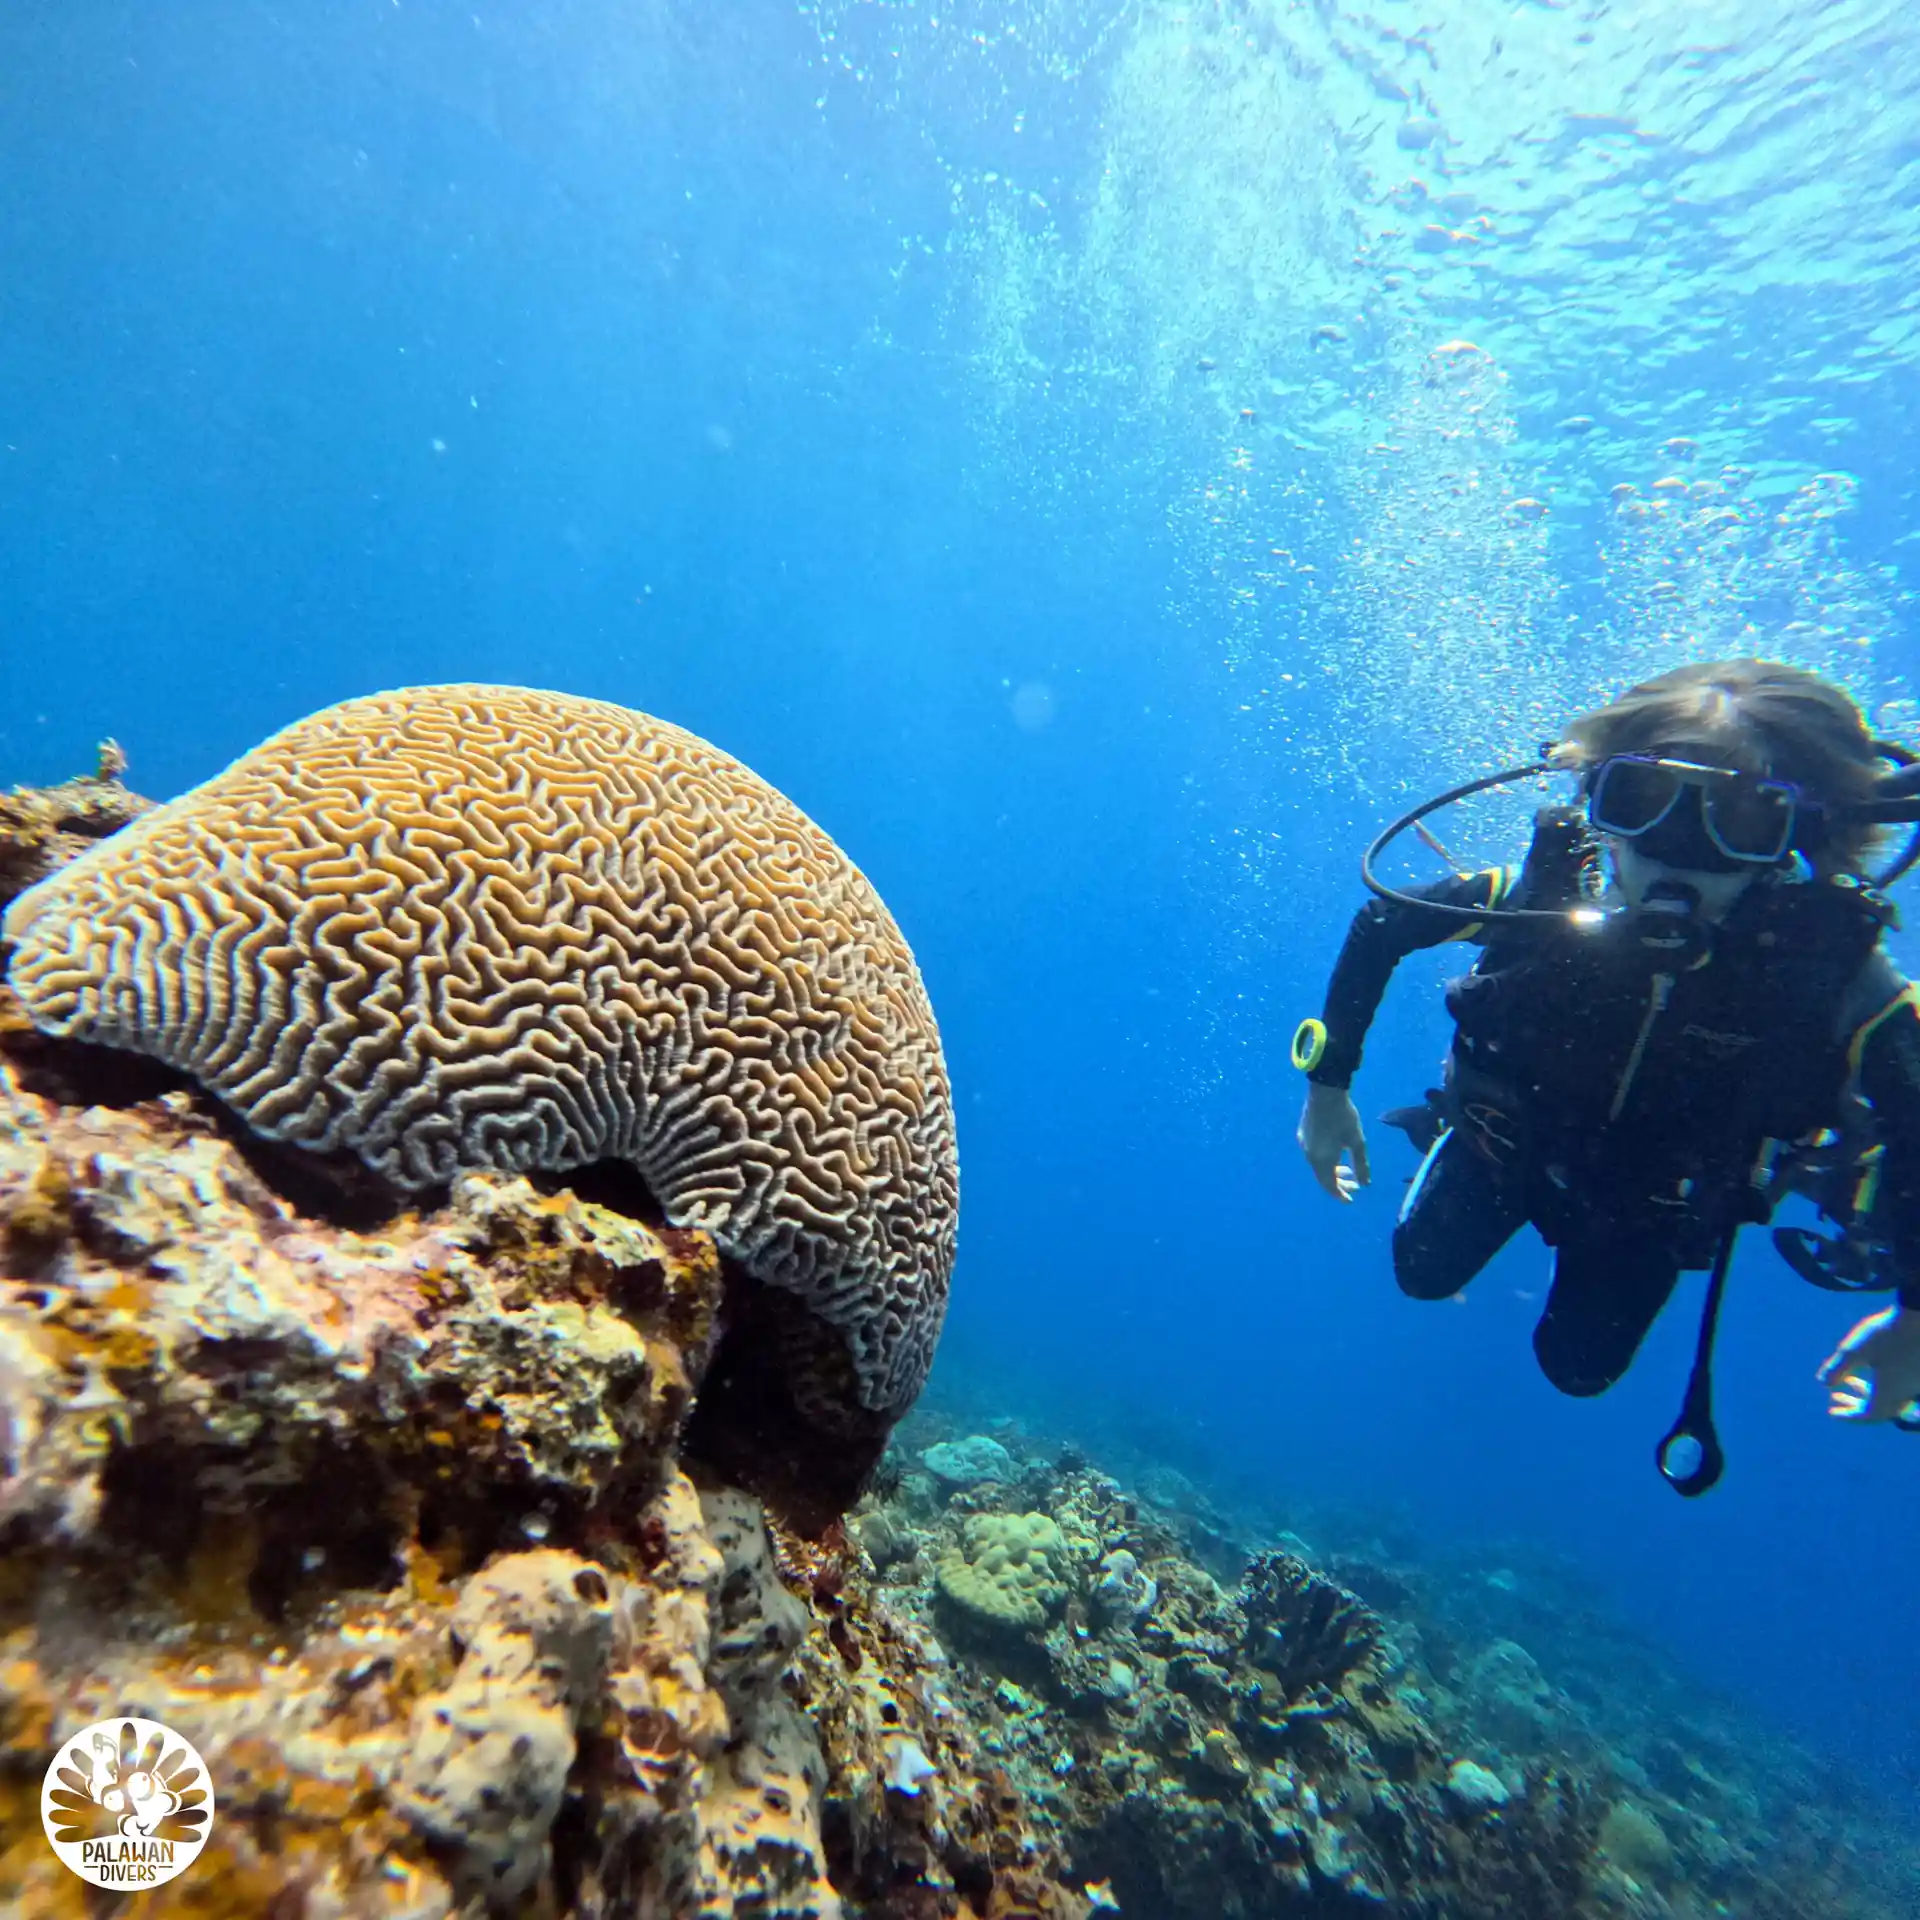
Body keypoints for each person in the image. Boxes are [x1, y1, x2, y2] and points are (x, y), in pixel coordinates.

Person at [1294, 659, 1920, 1428]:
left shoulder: (1830, 971)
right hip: (1503, 1150)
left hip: (1649, 1211)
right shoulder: (1546, 896)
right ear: (1597, 797)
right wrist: (1327, 1089)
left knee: (1578, 1368)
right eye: (1643, 801)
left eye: (1738, 818)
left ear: (1802, 834)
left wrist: (1915, 1318)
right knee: (1420, 1273)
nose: (1677, 852)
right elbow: (1384, 923)